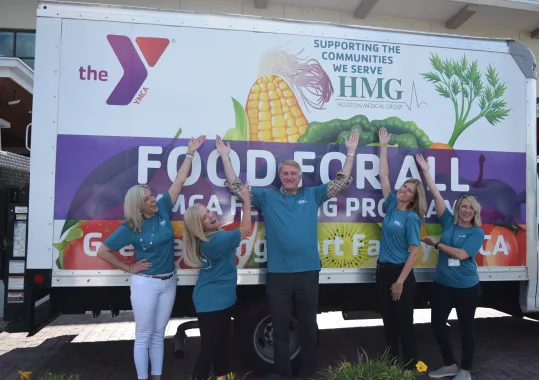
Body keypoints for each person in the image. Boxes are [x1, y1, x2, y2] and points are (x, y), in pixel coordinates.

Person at [215, 130, 360, 379]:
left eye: (293, 173)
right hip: (279, 276)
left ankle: (307, 374)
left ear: (299, 177)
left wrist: (350, 152)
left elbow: (341, 182)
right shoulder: (267, 196)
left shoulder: (312, 194)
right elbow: (236, 186)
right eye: (285, 174)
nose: (289, 177)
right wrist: (225, 157)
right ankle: (283, 374)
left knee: (308, 330)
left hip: (307, 274)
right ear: (280, 177)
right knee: (280, 331)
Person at [96, 135, 206, 380]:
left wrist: (190, 153)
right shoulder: (131, 227)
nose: (153, 199)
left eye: (151, 195)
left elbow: (179, 181)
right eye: (147, 199)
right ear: (138, 205)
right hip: (146, 283)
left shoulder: (163, 209)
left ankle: (156, 377)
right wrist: (129, 267)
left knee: (159, 333)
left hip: (169, 282)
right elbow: (102, 251)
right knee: (144, 334)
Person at [415, 154, 484, 380]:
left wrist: (437, 244)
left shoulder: (476, 232)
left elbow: (462, 254)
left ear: (475, 212)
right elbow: (436, 194)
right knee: (436, 325)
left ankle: (465, 371)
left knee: (466, 329)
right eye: (463, 206)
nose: (466, 211)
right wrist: (426, 171)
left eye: (470, 208)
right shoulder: (448, 221)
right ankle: (449, 365)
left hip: (466, 286)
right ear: (458, 208)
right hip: (442, 284)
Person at [181, 184, 252, 380]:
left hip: (219, 301)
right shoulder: (214, 242)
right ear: (198, 225)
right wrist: (246, 199)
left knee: (222, 345)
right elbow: (245, 229)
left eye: (209, 211)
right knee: (211, 348)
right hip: (213, 303)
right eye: (204, 217)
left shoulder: (212, 237)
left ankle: (221, 377)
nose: (211, 215)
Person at [376, 127, 426, 372]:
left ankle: (409, 369)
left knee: (405, 324)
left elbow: (414, 251)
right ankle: (393, 366)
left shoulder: (411, 218)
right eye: (404, 186)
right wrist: (384, 146)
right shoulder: (392, 206)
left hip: (400, 275)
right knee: (389, 323)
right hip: (383, 272)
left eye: (408, 190)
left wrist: (400, 282)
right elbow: (384, 177)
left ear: (413, 199)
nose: (402, 190)